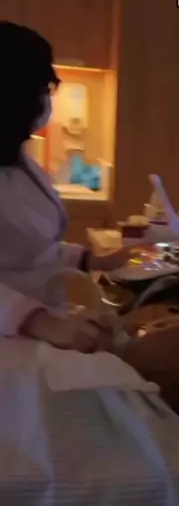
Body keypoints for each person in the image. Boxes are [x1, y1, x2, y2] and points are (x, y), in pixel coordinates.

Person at [0, 22, 142, 352]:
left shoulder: (16, 161)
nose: (46, 101)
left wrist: (94, 260)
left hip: (36, 327)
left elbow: (30, 251)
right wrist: (40, 322)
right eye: (42, 89)